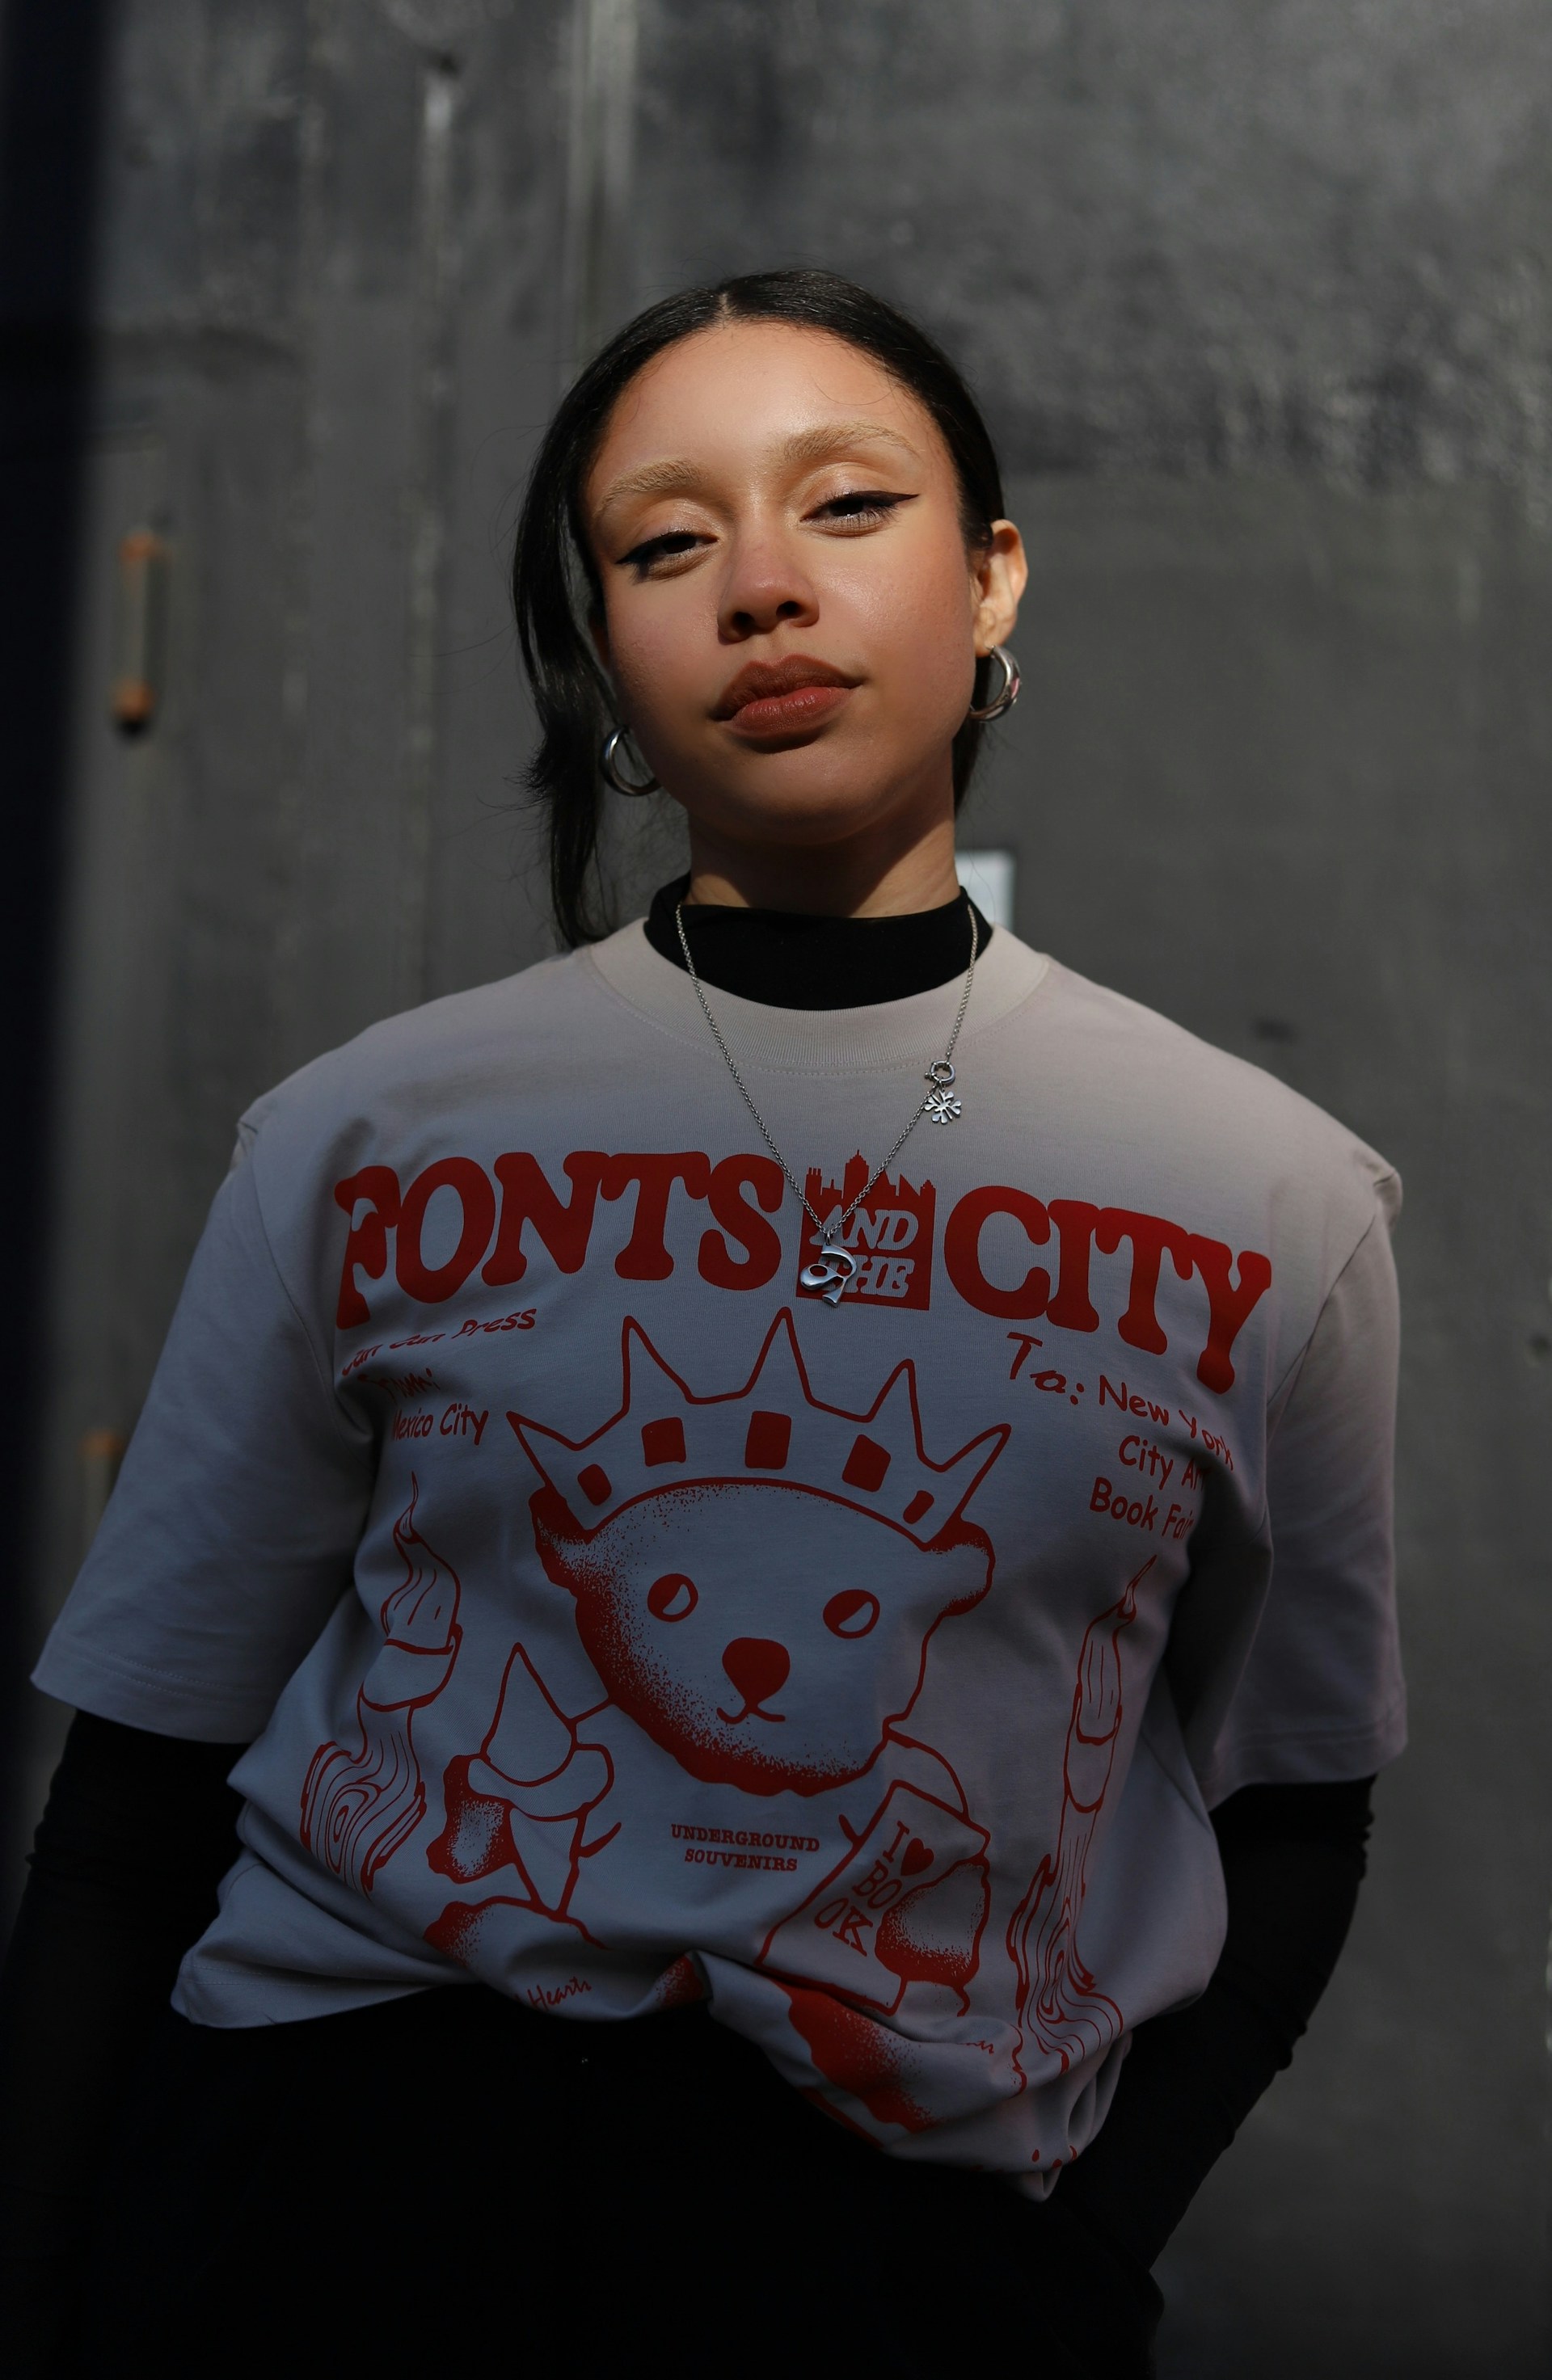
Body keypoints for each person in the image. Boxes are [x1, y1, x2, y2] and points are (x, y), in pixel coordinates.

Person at [0, 270, 1402, 2378]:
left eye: (847, 507)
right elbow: (134, 1798)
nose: (761, 588)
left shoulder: (1267, 1191)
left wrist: (1082, 2253)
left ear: (994, 577)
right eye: (667, 543)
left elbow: (1298, 1807)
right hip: (318, 2211)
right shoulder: (369, 1133)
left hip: (896, 2267)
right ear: (602, 660)